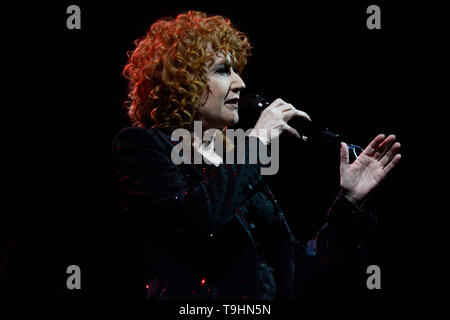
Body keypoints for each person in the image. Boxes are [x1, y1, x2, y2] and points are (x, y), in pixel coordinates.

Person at [112, 10, 401, 300]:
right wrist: (257, 142)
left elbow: (295, 276)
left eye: (236, 70)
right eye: (223, 70)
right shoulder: (143, 146)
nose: (240, 83)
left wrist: (349, 204)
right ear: (182, 80)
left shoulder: (235, 159)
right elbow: (190, 220)